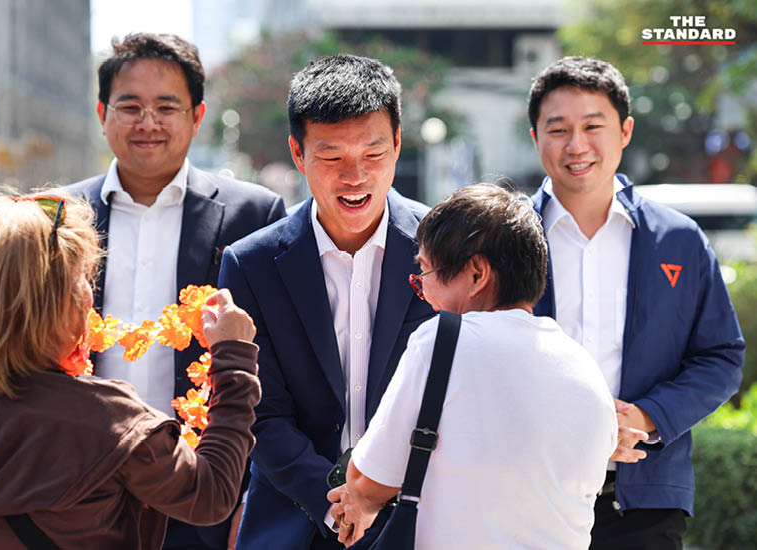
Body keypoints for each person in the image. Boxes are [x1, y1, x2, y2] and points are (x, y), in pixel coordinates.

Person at [0, 193, 261, 549]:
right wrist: (234, 357)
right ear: (49, 308)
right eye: (82, 280)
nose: (90, 296)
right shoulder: (107, 420)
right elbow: (211, 495)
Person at [65, 33, 285, 550]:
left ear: (197, 115)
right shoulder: (59, 216)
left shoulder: (254, 216)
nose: (148, 122)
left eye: (167, 106)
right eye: (130, 106)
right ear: (103, 113)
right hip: (79, 488)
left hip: (203, 484)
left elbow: (275, 367)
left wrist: (252, 496)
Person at [218, 54, 436, 550]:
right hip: (294, 521)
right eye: (332, 157)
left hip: (421, 521)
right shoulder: (250, 264)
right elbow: (262, 414)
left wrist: (378, 497)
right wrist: (338, 503)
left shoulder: (445, 251)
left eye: (374, 154)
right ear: (298, 153)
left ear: (399, 144)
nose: (354, 176)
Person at [527, 56, 745, 549]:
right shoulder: (503, 238)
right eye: (558, 129)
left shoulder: (678, 240)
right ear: (536, 137)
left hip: (644, 498)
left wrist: (645, 418)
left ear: (624, 131)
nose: (576, 145)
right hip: (528, 491)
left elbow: (722, 357)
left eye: (593, 126)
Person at [326, 183, 618, 549]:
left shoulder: (443, 341)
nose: (426, 295)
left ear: (477, 273)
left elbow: (369, 483)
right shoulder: (585, 369)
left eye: (426, 276)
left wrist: (356, 499)